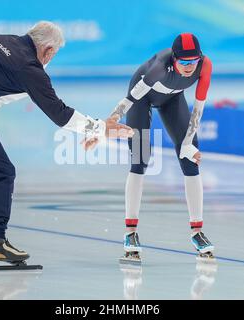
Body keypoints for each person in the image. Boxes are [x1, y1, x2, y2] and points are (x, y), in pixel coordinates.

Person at [0, 21, 133, 267]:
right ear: (49, 50)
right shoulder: (29, 67)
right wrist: (101, 128)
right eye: (54, 55)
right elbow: (60, 114)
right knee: (2, 172)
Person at [84, 33, 214, 262]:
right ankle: (130, 233)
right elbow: (129, 101)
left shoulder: (204, 66)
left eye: (192, 62)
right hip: (141, 97)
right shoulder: (158, 69)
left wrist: (187, 143)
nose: (188, 67)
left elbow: (198, 108)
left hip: (172, 98)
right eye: (183, 63)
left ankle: (197, 232)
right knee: (141, 158)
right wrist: (105, 125)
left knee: (190, 158)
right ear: (174, 60)